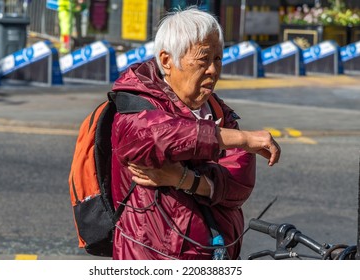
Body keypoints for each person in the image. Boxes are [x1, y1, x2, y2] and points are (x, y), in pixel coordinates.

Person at [110, 6, 281, 260]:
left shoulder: (218, 111)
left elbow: (240, 183)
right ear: (167, 61)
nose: (213, 70)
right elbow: (157, 136)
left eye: (218, 59)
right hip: (153, 256)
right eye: (203, 59)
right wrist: (243, 139)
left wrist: (185, 180)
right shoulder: (136, 105)